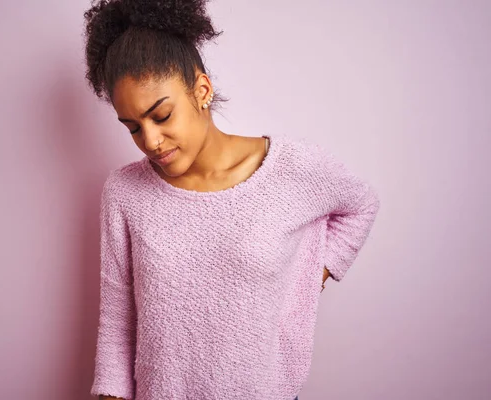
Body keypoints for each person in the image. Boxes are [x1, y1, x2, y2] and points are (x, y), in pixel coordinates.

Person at [83, 1, 381, 399]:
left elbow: (361, 203)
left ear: (201, 90)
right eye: (133, 127)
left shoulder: (290, 171)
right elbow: (118, 318)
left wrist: (308, 279)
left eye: (162, 115)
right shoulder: (125, 192)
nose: (150, 141)